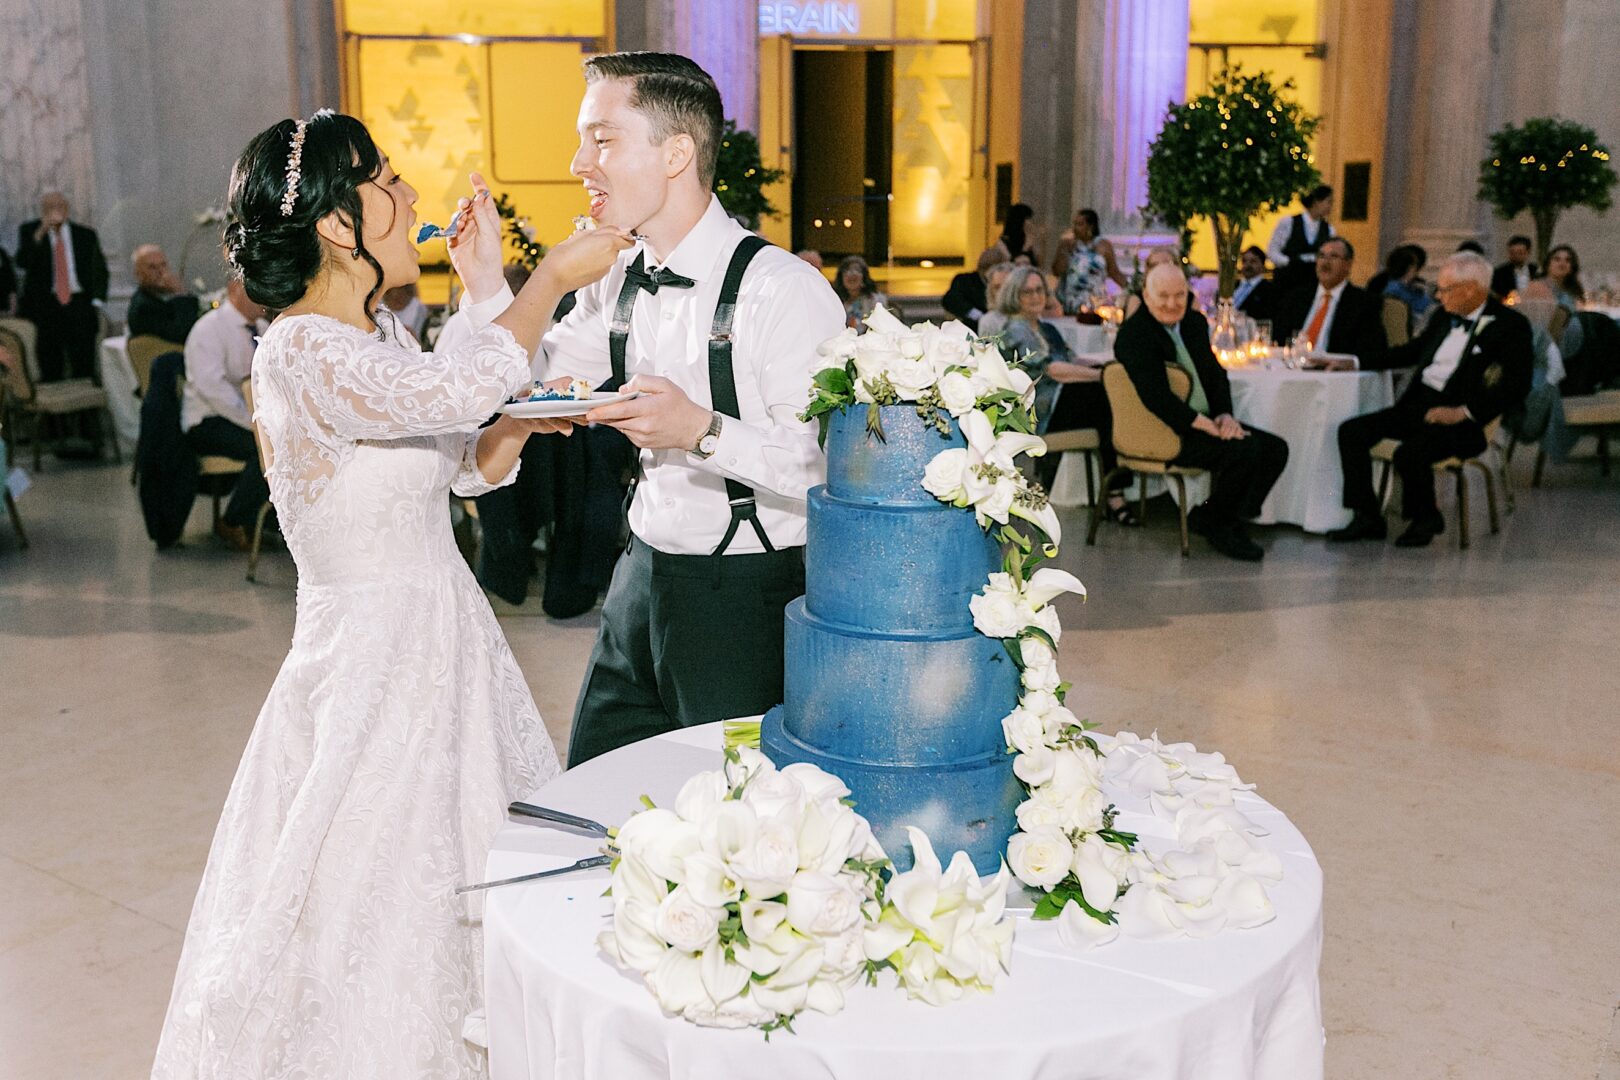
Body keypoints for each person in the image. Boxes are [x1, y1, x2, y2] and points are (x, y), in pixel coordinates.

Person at [150, 111, 633, 1079]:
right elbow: (457, 396)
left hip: (445, 638)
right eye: (386, 180)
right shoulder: (297, 351)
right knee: (369, 898)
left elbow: (459, 461)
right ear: (337, 223)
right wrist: (545, 281)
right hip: (371, 662)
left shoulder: (371, 334)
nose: (409, 196)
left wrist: (517, 403)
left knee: (463, 871)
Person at [504, 52, 846, 767]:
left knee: (738, 826)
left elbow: (826, 470)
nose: (578, 162)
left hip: (744, 597)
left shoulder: (784, 290)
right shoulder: (619, 277)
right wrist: (489, 280)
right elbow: (529, 385)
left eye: (602, 140)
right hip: (636, 582)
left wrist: (701, 429)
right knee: (596, 793)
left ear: (676, 153)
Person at [1329, 252, 1532, 548]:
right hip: (1419, 405)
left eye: (1445, 289)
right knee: (1351, 432)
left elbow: (1516, 384)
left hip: (1465, 421)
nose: (1438, 295)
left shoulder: (1510, 326)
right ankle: (1368, 516)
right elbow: (1411, 352)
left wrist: (1464, 412)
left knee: (1411, 453)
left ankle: (1426, 517)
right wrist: (1356, 362)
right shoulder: (1443, 316)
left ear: (1472, 289)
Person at [1113, 264, 1290, 561]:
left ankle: (1216, 517)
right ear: (1146, 295)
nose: (1172, 304)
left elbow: (1215, 375)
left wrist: (1224, 416)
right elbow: (1157, 399)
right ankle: (1222, 525)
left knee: (1274, 449)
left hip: (1202, 421)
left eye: (1179, 295)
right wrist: (1206, 426)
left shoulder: (1194, 323)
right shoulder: (1135, 334)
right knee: (1244, 452)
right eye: (1163, 296)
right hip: (1165, 430)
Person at [995, 265, 1136, 524]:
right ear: (1015, 295)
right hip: (1041, 409)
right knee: (1103, 394)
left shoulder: (1046, 328)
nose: (1036, 296)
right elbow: (1054, 370)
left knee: (1108, 400)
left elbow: (1073, 359)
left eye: (1039, 290)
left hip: (1062, 399)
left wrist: (1106, 369)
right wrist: (1105, 377)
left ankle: (1115, 487)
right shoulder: (1016, 330)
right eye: (1027, 292)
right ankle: (1118, 487)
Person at [179, 277, 270, 550]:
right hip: (208, 419)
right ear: (234, 289)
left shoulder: (263, 329)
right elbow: (213, 389)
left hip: (251, 416)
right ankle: (232, 520)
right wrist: (254, 422)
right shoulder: (209, 329)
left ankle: (268, 520)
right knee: (264, 450)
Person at [15, 191, 109, 383]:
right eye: (50, 207)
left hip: (79, 302)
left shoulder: (85, 235)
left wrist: (96, 303)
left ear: (67, 208)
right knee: (50, 364)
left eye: (60, 206)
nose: (55, 211)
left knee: (83, 362)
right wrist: (41, 233)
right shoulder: (30, 231)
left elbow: (99, 270)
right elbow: (22, 262)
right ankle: (56, 411)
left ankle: (84, 409)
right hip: (46, 306)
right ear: (43, 210)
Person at [1272, 237, 1388, 366]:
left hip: (1333, 372)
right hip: (1292, 367)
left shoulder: (1364, 302)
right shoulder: (1296, 297)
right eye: (1321, 256)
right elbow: (1278, 338)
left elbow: (1372, 349)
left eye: (1333, 256)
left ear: (1348, 265)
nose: (1325, 262)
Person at [1053, 208, 1128, 315]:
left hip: (1094, 299)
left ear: (1090, 226)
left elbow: (1114, 272)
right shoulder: (1067, 245)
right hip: (1071, 299)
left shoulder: (1103, 246)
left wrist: (1130, 289)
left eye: (1079, 224)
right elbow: (1057, 271)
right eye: (1074, 224)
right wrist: (1063, 250)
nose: (1075, 228)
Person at [1266, 184, 1335, 294]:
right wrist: (1291, 262)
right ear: (1316, 201)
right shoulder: (1289, 222)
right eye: (1329, 202)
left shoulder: (1329, 230)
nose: (1331, 207)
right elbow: (1272, 251)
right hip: (1286, 283)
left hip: (1312, 285)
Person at [126, 244, 201, 343]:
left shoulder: (156, 298)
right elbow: (184, 334)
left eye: (163, 265)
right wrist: (180, 293)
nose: (161, 271)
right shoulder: (144, 307)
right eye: (152, 267)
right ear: (138, 274)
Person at [942, 243, 1008, 331]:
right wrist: (977, 315)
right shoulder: (965, 281)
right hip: (971, 329)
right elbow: (950, 300)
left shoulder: (1007, 280)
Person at [833, 254, 891, 329]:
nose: (851, 274)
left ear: (864, 277)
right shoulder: (835, 301)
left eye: (856, 270)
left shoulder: (876, 301)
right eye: (846, 271)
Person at [1231, 245, 1278, 322]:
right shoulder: (1233, 286)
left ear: (1262, 265)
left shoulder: (1269, 289)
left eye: (1253, 261)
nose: (1248, 265)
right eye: (1244, 261)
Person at [973, 260, 1017, 338]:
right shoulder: (988, 321)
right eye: (997, 288)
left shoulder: (1034, 314)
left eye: (1006, 287)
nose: (1002, 292)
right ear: (991, 292)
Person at [1539, 243, 1584, 311]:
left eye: (1567, 260)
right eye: (1557, 259)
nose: (1562, 263)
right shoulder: (1538, 288)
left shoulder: (1571, 290)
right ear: (1548, 265)